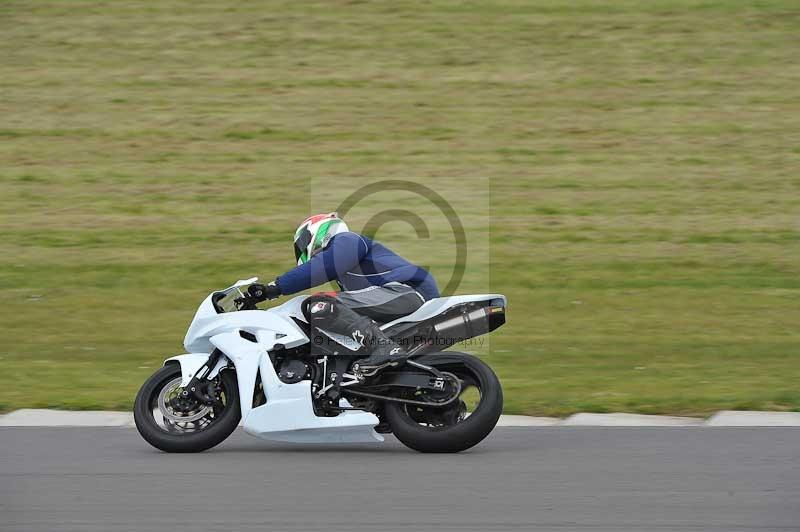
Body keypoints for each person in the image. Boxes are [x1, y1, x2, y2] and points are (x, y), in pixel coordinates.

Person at [246, 212, 440, 375]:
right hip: (400, 295)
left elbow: (323, 266)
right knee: (331, 312)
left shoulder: (348, 240)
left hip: (406, 290)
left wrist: (275, 288)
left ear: (318, 232)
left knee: (319, 304)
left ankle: (384, 347)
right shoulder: (353, 277)